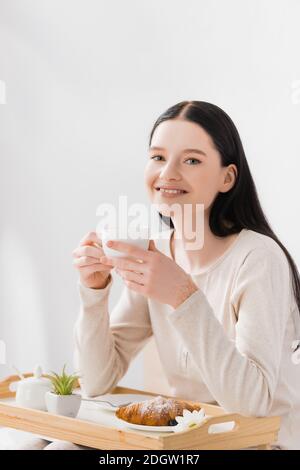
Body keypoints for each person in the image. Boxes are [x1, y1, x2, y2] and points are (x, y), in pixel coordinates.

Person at [72, 100, 300, 450]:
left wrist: (182, 295)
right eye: (158, 157)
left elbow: (252, 403)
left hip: (259, 444)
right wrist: (94, 291)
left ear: (228, 177)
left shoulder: (258, 258)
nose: (167, 174)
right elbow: (96, 381)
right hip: (186, 445)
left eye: (191, 160)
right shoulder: (158, 254)